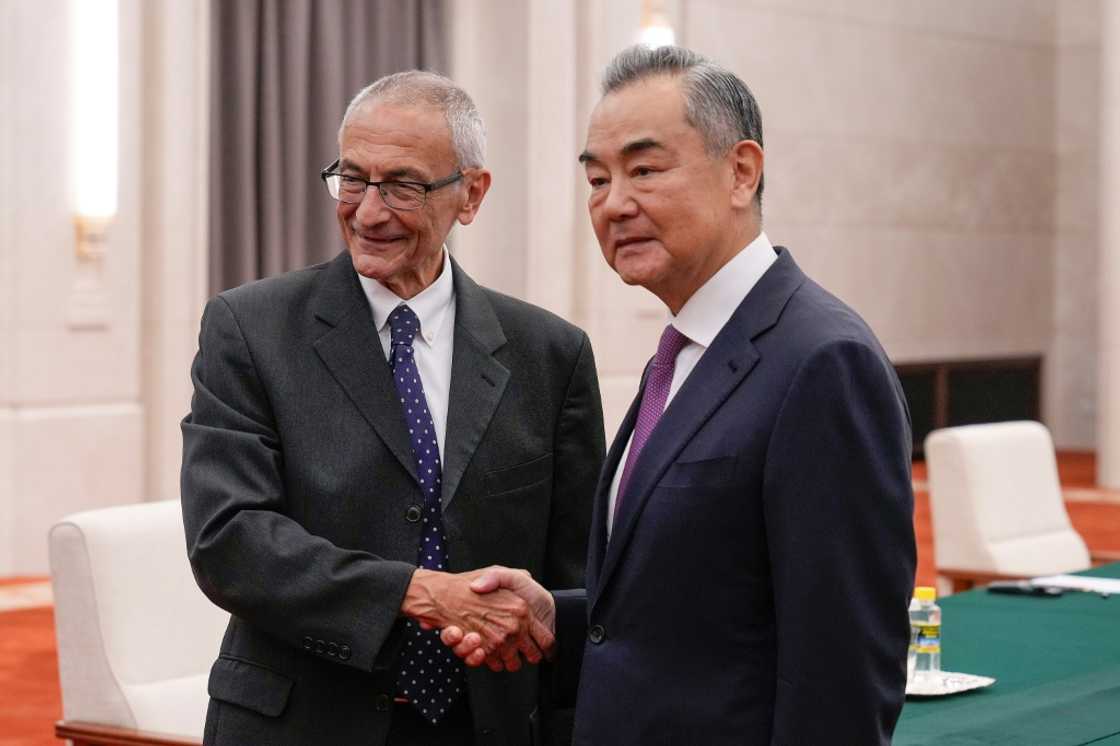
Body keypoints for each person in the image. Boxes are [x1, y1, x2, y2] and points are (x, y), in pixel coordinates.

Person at [442, 46, 917, 744]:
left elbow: (840, 672)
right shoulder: (684, 353)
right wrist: (557, 614)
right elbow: (691, 610)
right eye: (598, 179)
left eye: (645, 169)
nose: (614, 204)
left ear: (741, 171)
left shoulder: (821, 362)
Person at [180, 70, 604, 746]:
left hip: (488, 724)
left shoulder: (550, 355)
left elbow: (581, 578)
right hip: (303, 724)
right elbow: (230, 541)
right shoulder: (249, 329)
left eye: (403, 185)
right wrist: (420, 592)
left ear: (472, 194)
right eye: (352, 179)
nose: (369, 211)